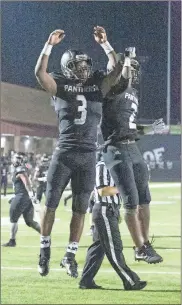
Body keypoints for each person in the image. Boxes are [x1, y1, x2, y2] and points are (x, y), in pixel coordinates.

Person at [34, 26, 129, 277]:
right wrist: (49, 45)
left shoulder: (97, 84)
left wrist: (106, 44)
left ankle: (69, 255)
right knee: (51, 202)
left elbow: (117, 70)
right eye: (78, 65)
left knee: (80, 208)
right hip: (65, 152)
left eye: (85, 64)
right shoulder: (60, 85)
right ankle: (44, 251)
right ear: (67, 67)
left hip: (88, 154)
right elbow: (39, 73)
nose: (84, 69)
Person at [101, 49, 164, 264]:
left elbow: (129, 126)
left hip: (132, 147)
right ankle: (139, 247)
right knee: (131, 202)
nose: (134, 73)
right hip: (116, 148)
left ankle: (145, 243)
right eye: (131, 68)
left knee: (144, 199)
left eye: (135, 69)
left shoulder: (133, 94)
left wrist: (149, 130)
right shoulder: (110, 89)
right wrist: (122, 59)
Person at [79, 151, 147, 290]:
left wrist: (116, 210)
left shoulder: (113, 167)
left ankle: (86, 280)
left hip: (110, 209)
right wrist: (124, 188)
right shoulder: (103, 166)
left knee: (98, 248)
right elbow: (102, 191)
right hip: (105, 209)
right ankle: (131, 281)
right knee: (114, 247)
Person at [2, 153, 40, 247]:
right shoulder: (23, 168)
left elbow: (26, 181)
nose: (13, 160)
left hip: (22, 196)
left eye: (15, 158)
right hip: (23, 196)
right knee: (29, 221)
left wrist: (30, 194)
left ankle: (12, 241)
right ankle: (45, 235)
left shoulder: (20, 169)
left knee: (13, 218)